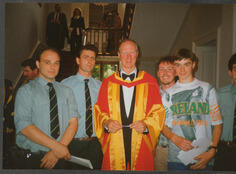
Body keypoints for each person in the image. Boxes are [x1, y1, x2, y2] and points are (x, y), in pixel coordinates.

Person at [10, 47, 92, 169]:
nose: (52, 67)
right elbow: (24, 126)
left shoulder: (67, 91)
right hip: (31, 157)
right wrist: (57, 147)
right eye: (47, 62)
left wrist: (56, 151)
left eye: (56, 63)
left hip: (59, 157)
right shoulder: (26, 91)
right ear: (38, 64)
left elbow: (73, 123)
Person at [94, 39, 165, 170]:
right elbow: (99, 112)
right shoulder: (107, 83)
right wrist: (107, 123)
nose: (128, 57)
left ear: (137, 54)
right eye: (124, 52)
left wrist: (146, 125)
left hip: (141, 142)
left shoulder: (150, 82)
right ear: (118, 55)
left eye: (132, 52)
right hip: (114, 142)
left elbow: (158, 112)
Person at [161, 48, 222, 171]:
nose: (182, 70)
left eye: (186, 64)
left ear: (193, 65)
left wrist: (212, 150)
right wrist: (174, 138)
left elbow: (217, 124)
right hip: (177, 158)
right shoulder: (167, 94)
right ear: (174, 67)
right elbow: (161, 125)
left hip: (204, 156)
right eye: (178, 65)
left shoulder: (207, 89)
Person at [61, 44, 103, 169]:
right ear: (78, 60)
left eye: (92, 58)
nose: (89, 61)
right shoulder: (65, 85)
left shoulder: (101, 86)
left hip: (95, 144)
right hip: (72, 143)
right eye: (86, 57)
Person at [154, 56, 176, 171]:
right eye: (162, 69)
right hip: (159, 149)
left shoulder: (184, 94)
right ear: (158, 73)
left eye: (169, 69)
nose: (165, 73)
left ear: (176, 72)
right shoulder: (152, 94)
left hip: (179, 149)